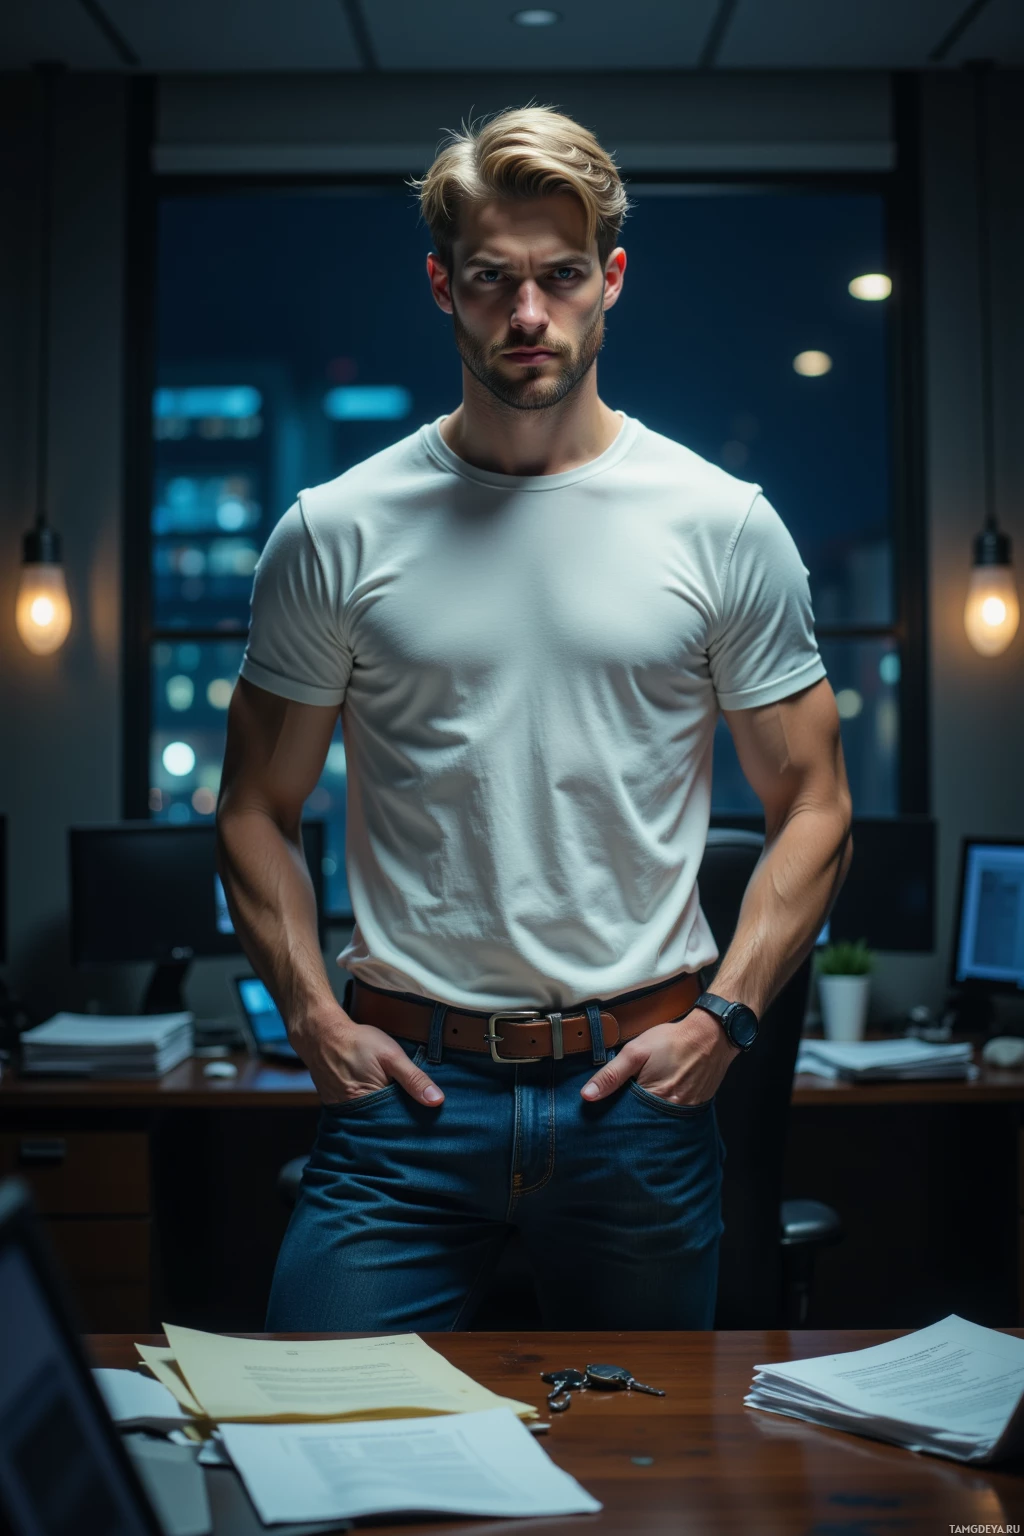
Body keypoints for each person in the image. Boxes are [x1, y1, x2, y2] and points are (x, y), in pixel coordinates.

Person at [216, 105, 853, 1332]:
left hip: (640, 1101)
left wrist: (725, 1022)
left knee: (653, 1497)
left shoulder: (719, 523)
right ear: (440, 285)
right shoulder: (334, 530)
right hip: (407, 1105)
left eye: (560, 278)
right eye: (492, 280)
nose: (527, 316)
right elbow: (253, 806)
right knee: (316, 1461)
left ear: (609, 279)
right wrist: (309, 1013)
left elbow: (815, 803)